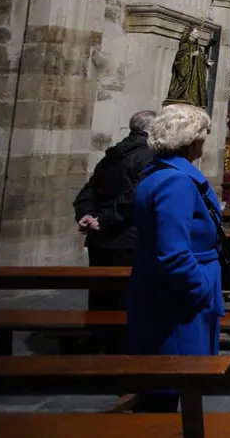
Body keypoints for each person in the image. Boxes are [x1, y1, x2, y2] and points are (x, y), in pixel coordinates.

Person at [127, 103, 223, 412]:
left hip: (172, 293)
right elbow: (175, 254)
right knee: (172, 379)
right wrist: (201, 289)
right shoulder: (175, 182)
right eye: (203, 134)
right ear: (191, 139)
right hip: (179, 300)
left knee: (172, 380)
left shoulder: (163, 173)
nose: (205, 141)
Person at [72, 109, 157, 318]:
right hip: (127, 238)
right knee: (124, 300)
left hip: (100, 238)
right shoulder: (149, 156)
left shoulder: (113, 154)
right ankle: (118, 346)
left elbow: (89, 189)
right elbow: (135, 196)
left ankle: (99, 342)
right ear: (153, 130)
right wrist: (102, 219)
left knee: (101, 296)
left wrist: (86, 214)